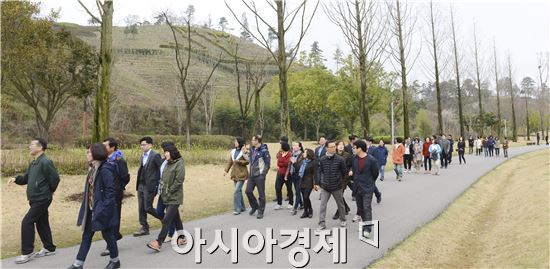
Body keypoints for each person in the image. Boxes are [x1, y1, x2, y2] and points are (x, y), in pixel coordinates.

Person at [68, 143, 119, 269]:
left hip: (102, 210)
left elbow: (111, 191)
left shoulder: (105, 169)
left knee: (107, 235)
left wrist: (103, 208)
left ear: (96, 153)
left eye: (89, 152)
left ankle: (115, 261)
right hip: (92, 209)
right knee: (86, 235)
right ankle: (78, 264)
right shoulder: (93, 168)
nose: (87, 154)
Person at [9, 138, 60, 264]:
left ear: (40, 147)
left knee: (27, 221)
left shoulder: (45, 162)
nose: (29, 146)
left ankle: (27, 252)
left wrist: (50, 190)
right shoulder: (34, 163)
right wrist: (15, 178)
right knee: (42, 221)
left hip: (42, 198)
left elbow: (55, 178)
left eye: (32, 144)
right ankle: (49, 247)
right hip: (35, 198)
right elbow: (26, 178)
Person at [146, 144, 186, 252]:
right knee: (175, 218)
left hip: (174, 197)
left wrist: (169, 191)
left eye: (166, 152)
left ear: (172, 152)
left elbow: (179, 181)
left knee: (166, 220)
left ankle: (158, 242)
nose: (164, 154)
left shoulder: (179, 163)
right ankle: (182, 238)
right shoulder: (168, 163)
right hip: (165, 195)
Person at [100, 138, 130, 257]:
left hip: (115, 193)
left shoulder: (119, 160)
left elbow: (125, 177)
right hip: (105, 193)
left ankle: (110, 245)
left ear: (112, 148)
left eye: (105, 146)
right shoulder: (104, 160)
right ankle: (115, 235)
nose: (103, 148)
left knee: (114, 216)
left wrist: (118, 187)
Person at [349, 140, 379, 238]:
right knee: (360, 208)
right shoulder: (354, 158)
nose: (353, 149)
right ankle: (363, 223)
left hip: (367, 188)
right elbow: (353, 169)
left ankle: (367, 229)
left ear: (360, 148)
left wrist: (370, 183)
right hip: (357, 187)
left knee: (367, 207)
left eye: (354, 147)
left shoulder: (371, 159)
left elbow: (375, 173)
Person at [315, 141, 348, 231]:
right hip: (325, 187)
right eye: (332, 147)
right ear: (327, 148)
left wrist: (340, 182)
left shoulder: (340, 159)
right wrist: (319, 183)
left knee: (340, 204)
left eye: (334, 146)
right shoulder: (322, 159)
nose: (334, 148)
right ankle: (322, 223)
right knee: (322, 205)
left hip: (337, 186)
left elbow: (344, 173)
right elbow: (320, 171)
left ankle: (343, 219)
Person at [134, 137, 163, 237]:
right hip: (141, 184)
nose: (142, 146)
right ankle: (144, 227)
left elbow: (162, 169)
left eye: (144, 144)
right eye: (141, 145)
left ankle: (165, 219)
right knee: (141, 207)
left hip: (150, 186)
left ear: (150, 145)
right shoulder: (142, 156)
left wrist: (158, 183)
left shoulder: (155, 155)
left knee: (148, 207)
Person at [154, 141, 178, 243]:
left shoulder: (176, 162)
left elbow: (178, 179)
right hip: (162, 192)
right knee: (159, 212)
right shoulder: (164, 161)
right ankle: (180, 235)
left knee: (168, 216)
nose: (164, 152)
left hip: (170, 194)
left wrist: (170, 190)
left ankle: (170, 233)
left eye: (165, 150)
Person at [245, 135, 271, 219]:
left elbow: (267, 164)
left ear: (257, 141)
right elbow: (250, 160)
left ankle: (261, 211)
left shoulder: (264, 151)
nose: (252, 141)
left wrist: (263, 174)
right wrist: (245, 153)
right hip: (252, 175)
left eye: (253, 140)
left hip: (259, 175)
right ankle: (255, 206)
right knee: (248, 191)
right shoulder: (252, 149)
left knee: (261, 194)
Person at [224, 137, 249, 215]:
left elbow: (248, 161)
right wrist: (226, 171)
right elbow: (230, 162)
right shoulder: (233, 151)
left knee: (236, 191)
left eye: (236, 141)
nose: (234, 143)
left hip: (242, 174)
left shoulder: (244, 151)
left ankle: (237, 209)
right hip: (234, 174)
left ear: (240, 143)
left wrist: (239, 161)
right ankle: (242, 207)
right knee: (238, 191)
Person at [333, 141, 352, 220]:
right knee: (339, 195)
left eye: (342, 145)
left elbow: (351, 165)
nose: (341, 146)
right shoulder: (334, 155)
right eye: (339, 145)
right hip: (335, 177)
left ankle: (339, 212)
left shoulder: (347, 155)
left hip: (344, 177)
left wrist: (351, 170)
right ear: (336, 146)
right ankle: (346, 207)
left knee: (339, 195)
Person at [275, 142, 293, 210]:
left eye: (281, 147)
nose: (280, 148)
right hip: (280, 173)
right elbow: (278, 163)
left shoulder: (289, 154)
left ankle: (290, 203)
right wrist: (282, 162)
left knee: (289, 188)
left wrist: (282, 162)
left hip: (287, 174)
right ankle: (279, 203)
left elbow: (287, 163)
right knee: (277, 188)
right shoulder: (280, 153)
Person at [299, 149, 316, 219]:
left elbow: (315, 174)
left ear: (308, 153)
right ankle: (305, 211)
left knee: (306, 197)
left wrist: (316, 183)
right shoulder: (302, 161)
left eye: (305, 152)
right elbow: (298, 168)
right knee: (304, 198)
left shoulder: (313, 163)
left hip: (309, 182)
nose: (303, 153)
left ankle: (310, 210)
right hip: (302, 181)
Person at [289, 141, 304, 215]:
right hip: (293, 174)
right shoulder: (292, 154)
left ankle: (295, 208)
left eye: (295, 145)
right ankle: (301, 204)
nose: (293, 147)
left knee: (297, 191)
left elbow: (299, 166)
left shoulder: (302, 155)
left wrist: (294, 162)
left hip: (300, 175)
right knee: (297, 190)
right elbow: (290, 165)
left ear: (300, 147)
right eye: (293, 145)